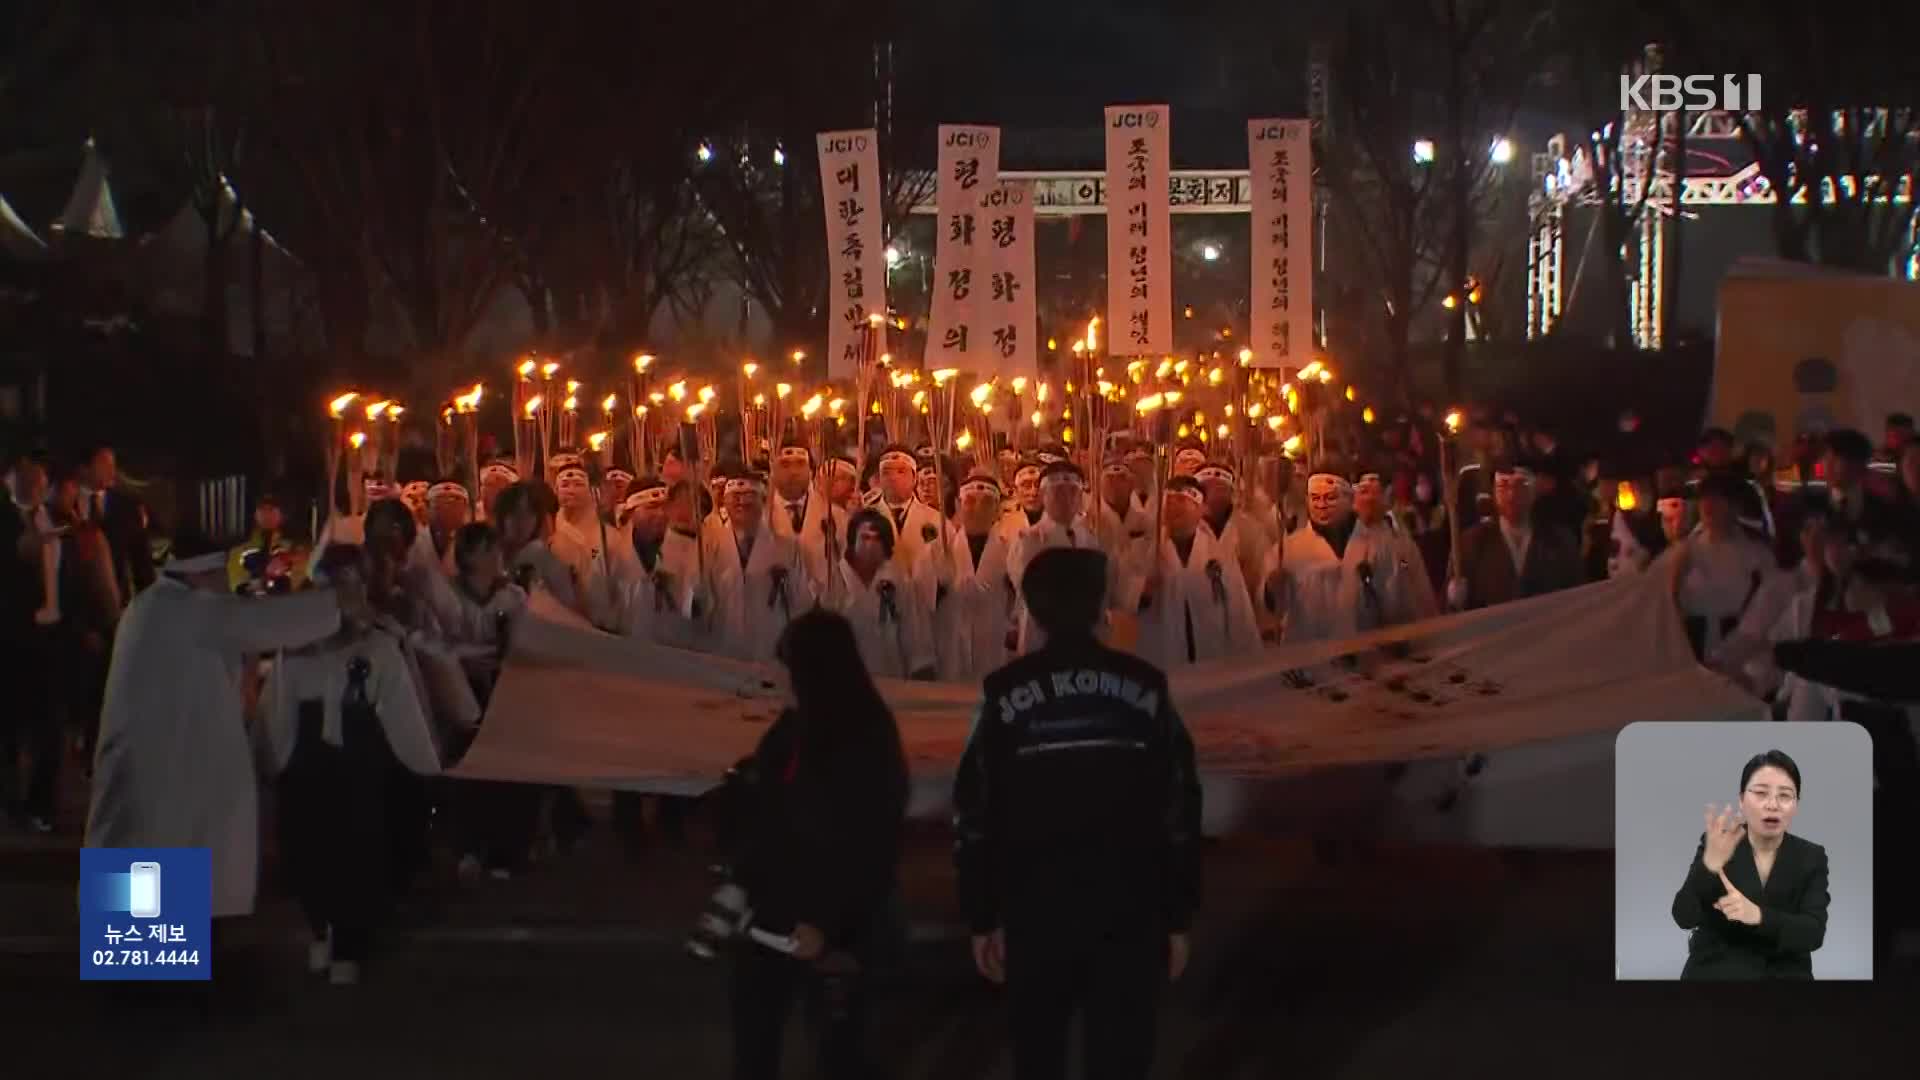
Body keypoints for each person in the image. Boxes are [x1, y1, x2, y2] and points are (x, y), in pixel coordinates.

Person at [954, 547, 1201, 1080]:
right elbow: (1178, 805)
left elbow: (975, 813)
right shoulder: (1146, 687)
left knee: (1038, 1052)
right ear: (1100, 608)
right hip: (1127, 906)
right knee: (1120, 1053)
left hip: (1035, 907)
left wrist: (982, 913)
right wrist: (1178, 913)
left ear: (1035, 613)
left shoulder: (1004, 694)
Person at [85, 528, 344, 919]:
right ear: (201, 575)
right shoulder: (190, 611)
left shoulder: (150, 607)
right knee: (155, 927)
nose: (228, 585)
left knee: (142, 919)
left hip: (154, 782)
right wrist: (343, 602)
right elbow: (271, 622)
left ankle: (142, 970)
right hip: (164, 788)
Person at [729, 608, 908, 1080]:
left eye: (785, 665)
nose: (775, 676)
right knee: (754, 1037)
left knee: (838, 1049)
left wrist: (825, 921)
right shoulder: (793, 726)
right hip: (774, 914)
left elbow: (867, 840)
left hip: (834, 923)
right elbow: (771, 810)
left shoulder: (863, 734)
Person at [259, 544, 441, 984]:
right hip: (307, 773)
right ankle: (323, 926)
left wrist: (425, 768)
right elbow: (276, 714)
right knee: (306, 851)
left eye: (349, 586)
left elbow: (404, 715)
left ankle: (349, 940)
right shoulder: (295, 653)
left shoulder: (378, 647)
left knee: (357, 851)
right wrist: (269, 763)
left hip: (358, 773)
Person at [1670, 750, 1828, 979]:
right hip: (1718, 972)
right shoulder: (1719, 842)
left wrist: (1758, 915)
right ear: (1742, 800)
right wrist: (1709, 867)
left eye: (1785, 796)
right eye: (1761, 793)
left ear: (1796, 805)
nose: (1772, 804)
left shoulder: (1811, 856)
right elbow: (1683, 916)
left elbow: (1814, 933)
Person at [1130, 475, 1261, 667]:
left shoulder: (1219, 555)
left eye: (1182, 500)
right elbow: (1122, 601)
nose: (1174, 507)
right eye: (1169, 501)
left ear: (1200, 510)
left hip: (1211, 661)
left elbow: (1239, 613)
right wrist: (1144, 591)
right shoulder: (1143, 551)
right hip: (1161, 660)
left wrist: (1248, 662)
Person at [1664, 471, 1779, 661]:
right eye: (1705, 500)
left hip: (1741, 646)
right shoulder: (1686, 551)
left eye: (1717, 500)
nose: (1709, 506)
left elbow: (1771, 603)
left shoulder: (1757, 553)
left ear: (1734, 506)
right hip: (1693, 645)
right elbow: (1666, 599)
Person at [701, 473, 814, 662]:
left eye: (749, 496)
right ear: (725, 503)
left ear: (763, 501)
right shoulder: (710, 546)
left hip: (773, 651)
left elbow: (803, 602)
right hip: (723, 652)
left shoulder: (788, 548)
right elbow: (692, 608)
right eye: (735, 496)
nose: (742, 502)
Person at [1448, 463, 1583, 611]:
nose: (1512, 494)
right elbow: (1451, 611)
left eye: (1521, 484)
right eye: (1503, 486)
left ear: (1535, 489)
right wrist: (1453, 600)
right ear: (1493, 492)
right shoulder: (1472, 542)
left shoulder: (1561, 541)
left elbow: (1578, 600)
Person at [825, 509, 937, 680]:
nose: (870, 544)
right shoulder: (831, 581)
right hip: (841, 677)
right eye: (865, 537)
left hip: (890, 676)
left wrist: (921, 672)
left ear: (886, 545)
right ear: (852, 540)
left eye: (877, 539)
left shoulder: (902, 583)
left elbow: (915, 635)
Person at [929, 472, 1016, 681]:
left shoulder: (1013, 553)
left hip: (996, 652)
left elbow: (1021, 607)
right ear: (958, 506)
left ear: (998, 510)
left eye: (987, 503)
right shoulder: (936, 552)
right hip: (949, 650)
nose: (977, 509)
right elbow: (917, 609)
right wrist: (937, 587)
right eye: (970, 502)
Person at [82, 445, 153, 602]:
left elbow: (141, 563)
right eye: (105, 465)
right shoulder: (65, 504)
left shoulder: (128, 506)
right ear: (85, 468)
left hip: (117, 601)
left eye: (113, 465)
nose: (112, 471)